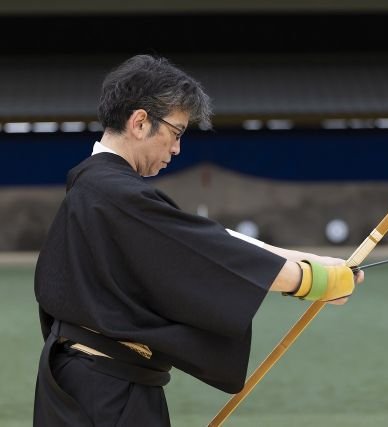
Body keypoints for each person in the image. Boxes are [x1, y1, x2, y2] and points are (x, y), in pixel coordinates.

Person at [33, 54, 364, 426]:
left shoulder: (99, 187)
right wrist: (313, 282)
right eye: (175, 133)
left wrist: (314, 263)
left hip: (95, 383)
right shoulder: (112, 192)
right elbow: (204, 252)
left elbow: (207, 237)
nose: (176, 149)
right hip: (105, 395)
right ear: (140, 122)